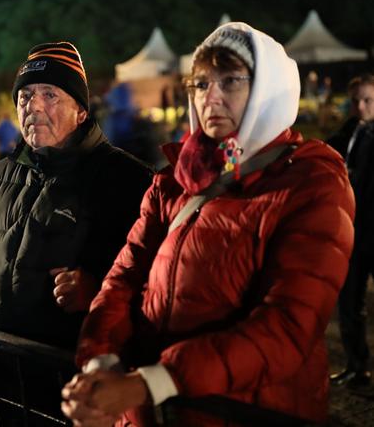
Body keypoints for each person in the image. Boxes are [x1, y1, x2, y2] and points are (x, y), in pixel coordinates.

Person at [62, 23, 355, 426]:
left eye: (230, 80)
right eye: (200, 84)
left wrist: (155, 381)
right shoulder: (176, 178)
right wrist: (100, 363)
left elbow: (288, 326)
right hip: (153, 411)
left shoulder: (310, 181)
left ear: (268, 89)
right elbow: (123, 279)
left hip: (245, 410)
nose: (210, 97)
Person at [0, 41, 154, 349]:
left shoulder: (126, 178)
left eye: (49, 94)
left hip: (61, 374)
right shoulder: (0, 174)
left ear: (80, 111)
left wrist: (98, 288)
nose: (33, 106)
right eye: (25, 96)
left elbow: (151, 279)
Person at [331, 74, 374, 389]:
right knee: (348, 303)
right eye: (356, 100)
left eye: (368, 100)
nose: (360, 106)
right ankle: (357, 367)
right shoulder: (349, 129)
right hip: (352, 231)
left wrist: (351, 176)